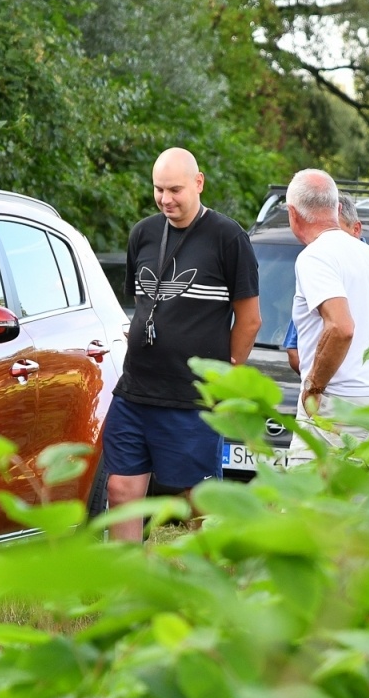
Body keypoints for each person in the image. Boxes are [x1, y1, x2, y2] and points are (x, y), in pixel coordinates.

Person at [105, 147, 261, 541]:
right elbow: (141, 306)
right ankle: (128, 589)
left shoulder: (228, 237)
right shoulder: (142, 232)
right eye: (159, 190)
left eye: (175, 189)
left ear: (199, 182)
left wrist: (225, 375)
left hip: (191, 397)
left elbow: (250, 318)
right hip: (136, 390)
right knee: (121, 490)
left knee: (198, 498)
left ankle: (207, 582)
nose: (165, 199)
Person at [284, 169, 369, 446]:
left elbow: (340, 327)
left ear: (293, 213)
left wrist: (314, 387)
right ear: (337, 207)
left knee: (310, 488)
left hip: (336, 404)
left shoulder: (313, 257)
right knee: (367, 488)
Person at [284, 220, 369, 380]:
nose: (328, 241)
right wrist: (320, 383)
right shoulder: (319, 267)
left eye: (336, 233)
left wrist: (366, 379)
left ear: (356, 229)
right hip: (329, 395)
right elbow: (295, 350)